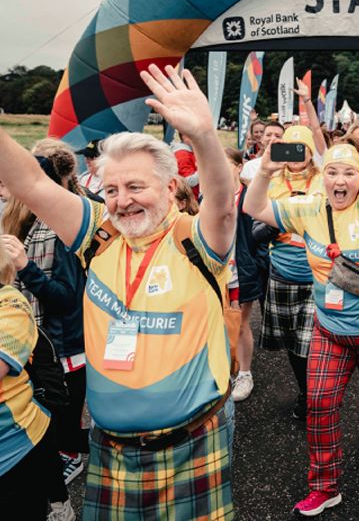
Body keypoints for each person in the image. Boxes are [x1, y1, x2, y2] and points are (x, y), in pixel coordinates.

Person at [0, 64, 237, 519]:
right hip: (110, 450)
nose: (122, 199)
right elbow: (30, 183)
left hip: (192, 442)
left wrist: (205, 137)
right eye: (111, 189)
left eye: (135, 186)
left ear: (170, 188)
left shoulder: (193, 239)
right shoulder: (99, 234)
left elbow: (224, 208)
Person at [242, 104, 359, 517]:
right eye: (333, 172)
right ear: (324, 177)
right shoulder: (308, 208)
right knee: (320, 402)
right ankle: (325, 486)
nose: (340, 180)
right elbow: (255, 209)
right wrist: (266, 171)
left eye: (349, 173)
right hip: (330, 329)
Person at [2, 141, 89, 501]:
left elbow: (67, 298)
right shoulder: (14, 224)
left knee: (62, 416)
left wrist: (25, 266)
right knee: (43, 410)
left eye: (11, 183)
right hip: (28, 343)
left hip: (62, 344)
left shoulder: (61, 230)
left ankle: (74, 458)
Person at [242, 125, 324, 419]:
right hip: (282, 273)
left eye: (301, 148)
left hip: (318, 275)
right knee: (294, 344)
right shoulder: (272, 182)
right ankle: (305, 391)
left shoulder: (324, 180)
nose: (295, 155)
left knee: (310, 343)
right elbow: (253, 228)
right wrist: (283, 220)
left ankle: (316, 395)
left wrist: (289, 214)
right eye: (289, 148)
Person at [0, 239, 60, 520]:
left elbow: (63, 296)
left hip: (15, 450)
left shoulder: (9, 303)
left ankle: (62, 506)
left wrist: (26, 266)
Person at [223, 148, 264, 403]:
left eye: (226, 163)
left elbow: (265, 228)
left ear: (239, 167)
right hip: (217, 273)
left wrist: (254, 260)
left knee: (240, 324)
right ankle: (225, 369)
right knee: (220, 324)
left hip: (242, 270)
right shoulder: (210, 195)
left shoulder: (248, 196)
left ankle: (245, 373)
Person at [172, 130, 199, 198]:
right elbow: (187, 181)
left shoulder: (187, 152)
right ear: (185, 136)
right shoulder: (183, 155)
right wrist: (204, 170)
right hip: (187, 202)